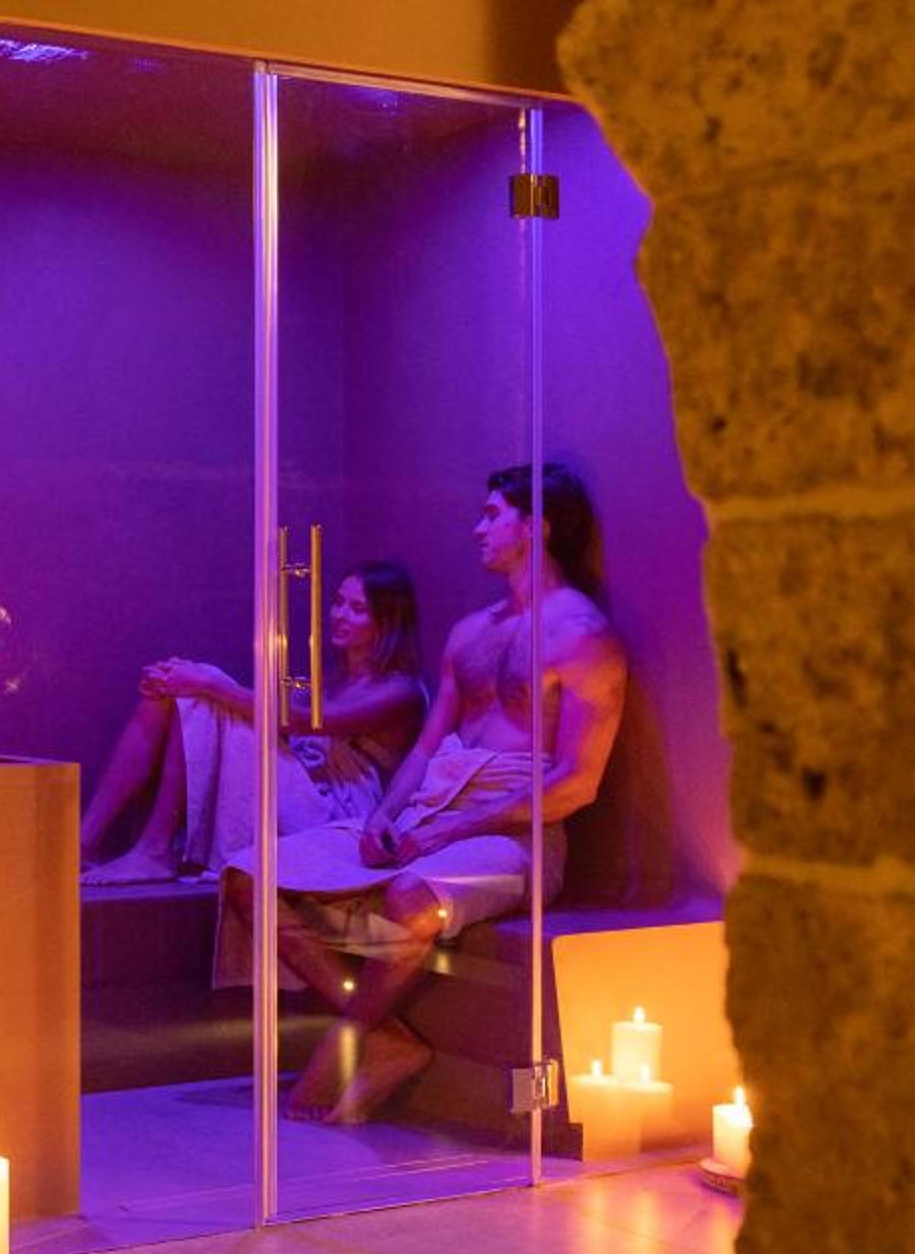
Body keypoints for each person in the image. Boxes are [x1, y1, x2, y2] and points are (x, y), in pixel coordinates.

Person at [222, 464, 626, 1124]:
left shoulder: (583, 635)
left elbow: (576, 784)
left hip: (517, 834)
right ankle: (386, 1038)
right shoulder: (471, 632)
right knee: (249, 879)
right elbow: (428, 747)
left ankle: (343, 1047)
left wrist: (445, 832)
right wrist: (382, 817)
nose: (478, 529)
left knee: (410, 898)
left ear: (537, 526)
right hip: (427, 809)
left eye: (492, 514)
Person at [79, 562, 426, 882]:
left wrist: (206, 682)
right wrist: (176, 678)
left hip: (336, 820)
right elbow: (269, 708)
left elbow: (300, 722)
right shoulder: (331, 682)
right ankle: (83, 842)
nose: (339, 615)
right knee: (181, 690)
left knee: (202, 688)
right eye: (338, 602)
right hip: (300, 797)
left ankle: (154, 851)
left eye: (358, 608)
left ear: (387, 621)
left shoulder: (402, 691)